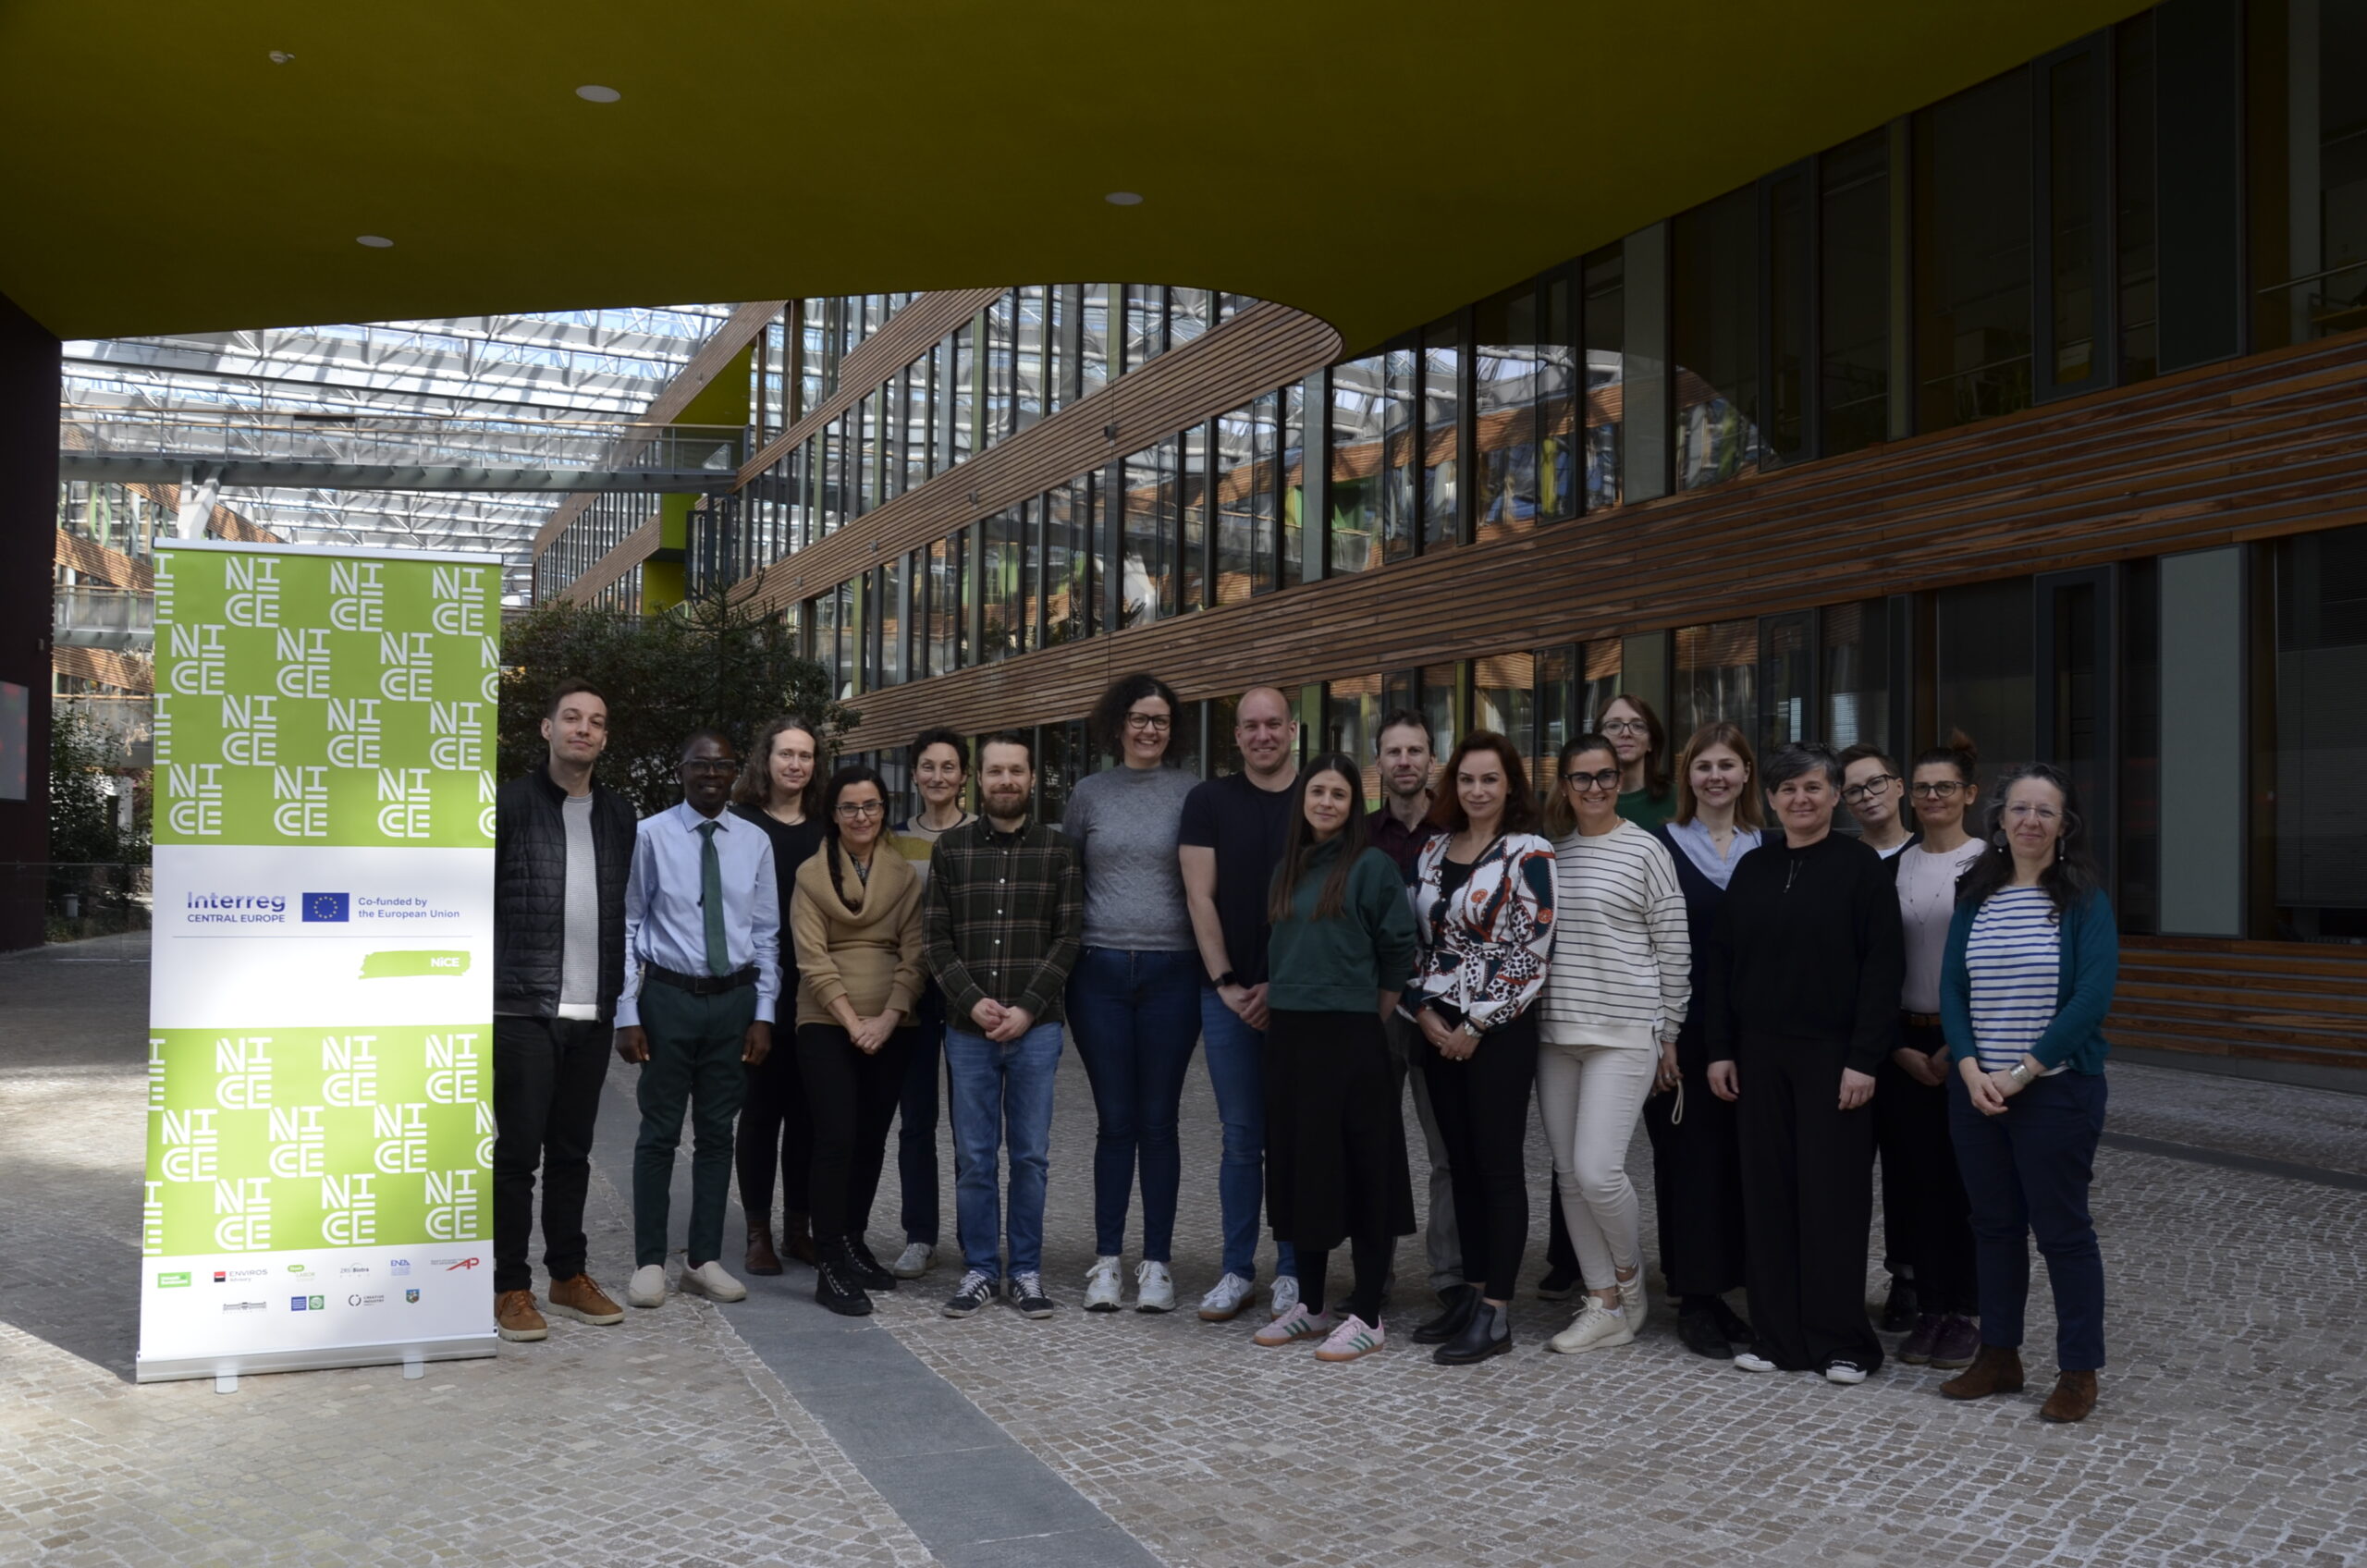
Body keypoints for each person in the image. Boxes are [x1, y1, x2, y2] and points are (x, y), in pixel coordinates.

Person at [1705, 741, 1902, 1384]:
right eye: (1788, 790)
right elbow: (1723, 965)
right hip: (1758, 1055)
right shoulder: (1755, 869)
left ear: (1836, 796)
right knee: (1767, 1198)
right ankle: (1778, 1337)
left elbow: (1882, 970)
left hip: (1834, 1058)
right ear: (1770, 799)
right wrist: (1720, 1050)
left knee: (1832, 1199)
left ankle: (1844, 1342)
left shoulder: (1861, 867)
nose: (1800, 799)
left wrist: (1864, 1059)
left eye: (1814, 788)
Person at [1937, 764, 2118, 1424]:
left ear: (2064, 826)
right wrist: (1968, 1068)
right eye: (2020, 809)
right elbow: (1953, 988)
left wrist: (2022, 1071)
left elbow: (2090, 999)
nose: (2031, 821)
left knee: (2063, 1232)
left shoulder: (2084, 899)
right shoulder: (1976, 894)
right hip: (1978, 1092)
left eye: (2046, 811)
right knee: (1994, 1228)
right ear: (2000, 820)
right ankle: (1999, 1355)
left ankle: (2078, 1371)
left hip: (2056, 1092)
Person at [1252, 753, 1420, 1362]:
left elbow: (1399, 950)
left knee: (1363, 1173)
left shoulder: (1371, 867)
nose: (1326, 802)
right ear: (1303, 800)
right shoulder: (1286, 870)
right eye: (1317, 791)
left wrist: (1366, 1014)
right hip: (1291, 1039)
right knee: (1305, 1171)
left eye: (1339, 795)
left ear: (1354, 806)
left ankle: (1369, 1313)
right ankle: (1314, 1307)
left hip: (1351, 1039)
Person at [490, 680, 637, 1342]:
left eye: (596, 721)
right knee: (519, 1154)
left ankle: (567, 1275)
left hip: (592, 1007)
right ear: (547, 729)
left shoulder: (619, 813)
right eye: (572, 718)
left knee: (574, 1153)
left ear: (605, 738)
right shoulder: (510, 805)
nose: (584, 728)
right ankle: (509, 1286)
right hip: (522, 1006)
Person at [1404, 731, 1555, 1365]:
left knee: (1496, 1168)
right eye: (1467, 779)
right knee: (1458, 1166)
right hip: (1436, 1026)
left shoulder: (1530, 852)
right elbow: (1420, 944)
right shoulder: (1435, 850)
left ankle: (1495, 1312)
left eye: (1489, 779)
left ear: (1510, 785)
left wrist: (1477, 1024)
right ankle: (1467, 1296)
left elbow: (1533, 952)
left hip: (1500, 1029)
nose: (1477, 790)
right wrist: (1424, 1012)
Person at [616, 730, 780, 1312]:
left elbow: (765, 934)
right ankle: (649, 1263)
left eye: (723, 765)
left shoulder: (755, 841)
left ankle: (702, 1260)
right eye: (700, 765)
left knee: (717, 1136)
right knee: (658, 1133)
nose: (712, 774)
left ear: (735, 772)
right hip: (667, 1000)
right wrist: (626, 1011)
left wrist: (763, 1013)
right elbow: (629, 926)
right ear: (681, 770)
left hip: (732, 1004)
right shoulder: (650, 836)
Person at [1537, 734, 1690, 1355]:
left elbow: (1673, 945)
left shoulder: (1647, 850)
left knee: (1600, 1172)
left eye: (1605, 776)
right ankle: (1600, 1301)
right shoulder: (1549, 853)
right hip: (1556, 1035)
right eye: (1582, 778)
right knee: (1570, 1176)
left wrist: (1670, 1032)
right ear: (1564, 785)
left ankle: (1629, 1283)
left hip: (1624, 1035)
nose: (1595, 787)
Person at [926, 732, 1085, 1321]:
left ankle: (1024, 1270)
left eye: (1017, 771)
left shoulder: (1059, 851)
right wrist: (972, 1003)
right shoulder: (952, 850)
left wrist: (1024, 1007)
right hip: (966, 1031)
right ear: (978, 779)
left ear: (1032, 777)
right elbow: (935, 941)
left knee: (1030, 1157)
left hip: (1036, 1027)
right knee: (973, 1155)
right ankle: (978, 1270)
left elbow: (1069, 937)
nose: (1007, 781)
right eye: (996, 772)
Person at [1063, 675, 1202, 1313]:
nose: (1151, 729)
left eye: (1162, 720)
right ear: (1118, 723)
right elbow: (1067, 882)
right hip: (1100, 973)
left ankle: (1157, 1264)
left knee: (1160, 1121)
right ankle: (1105, 1263)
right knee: (1116, 1123)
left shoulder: (1192, 792)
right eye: (1140, 718)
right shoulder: (1089, 794)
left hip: (1174, 970)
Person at [1180, 687, 1305, 1322]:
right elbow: (1200, 898)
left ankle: (1291, 1271)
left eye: (1273, 724)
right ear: (1237, 736)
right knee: (1240, 1139)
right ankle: (1236, 1271)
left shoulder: (1317, 796)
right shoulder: (1208, 802)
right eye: (1251, 726)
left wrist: (1284, 986)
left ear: (1292, 730)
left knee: (1291, 1137)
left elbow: (1325, 898)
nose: (1263, 735)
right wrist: (1228, 981)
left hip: (1300, 999)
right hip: (1225, 997)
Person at [791, 764, 926, 1316]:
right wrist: (854, 1022)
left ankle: (852, 1239)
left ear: (884, 810)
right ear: (833, 814)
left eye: (871, 806)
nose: (862, 816)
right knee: (836, 1137)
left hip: (894, 1023)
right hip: (827, 1021)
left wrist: (888, 1019)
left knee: (872, 1138)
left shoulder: (904, 875)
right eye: (850, 807)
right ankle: (827, 1261)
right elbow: (813, 961)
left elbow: (917, 956)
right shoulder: (809, 876)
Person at [1647, 723, 1761, 1360]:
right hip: (1682, 1032)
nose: (1715, 776)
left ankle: (1733, 1288)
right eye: (1703, 766)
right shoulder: (1659, 846)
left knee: (1744, 1165)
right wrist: (1659, 1035)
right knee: (1689, 1164)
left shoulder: (1770, 846)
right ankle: (1695, 1297)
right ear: (1687, 777)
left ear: (1747, 773)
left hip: (1753, 1034)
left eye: (1728, 765)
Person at [1885, 734, 1987, 1371]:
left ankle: (1969, 1311)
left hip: (1968, 1041)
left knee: (1965, 1183)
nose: (1931, 798)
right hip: (1903, 1040)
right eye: (1922, 788)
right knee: (1915, 1180)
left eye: (1944, 787)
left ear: (1969, 794)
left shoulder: (1991, 864)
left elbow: (1994, 965)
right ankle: (1929, 1308)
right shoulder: (1894, 864)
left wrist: (1960, 1044)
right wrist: (1896, 1046)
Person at [1365, 709, 1462, 1314]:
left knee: (1446, 1149)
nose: (1405, 761)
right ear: (1378, 762)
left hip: (1440, 1010)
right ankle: (1375, 1272)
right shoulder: (1359, 834)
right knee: (1372, 1144)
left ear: (1432, 760)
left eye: (1415, 751)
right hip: (1374, 1011)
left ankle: (1450, 1275)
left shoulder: (1458, 831)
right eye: (1394, 752)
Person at [731, 716, 826, 1279]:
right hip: (755, 991)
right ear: (765, 759)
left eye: (806, 756)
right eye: (786, 753)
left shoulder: (825, 827)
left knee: (809, 1115)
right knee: (762, 1114)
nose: (795, 764)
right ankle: (757, 1233)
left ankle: (800, 1229)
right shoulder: (740, 825)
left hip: (817, 989)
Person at [884, 727, 977, 1280]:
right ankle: (920, 1235)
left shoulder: (983, 835)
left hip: (967, 994)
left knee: (972, 1124)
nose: (938, 776)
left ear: (963, 775)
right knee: (916, 1120)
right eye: (927, 766)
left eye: (948, 767)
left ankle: (975, 1238)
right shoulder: (893, 840)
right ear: (915, 774)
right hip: (913, 995)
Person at [1840, 741, 1919, 1329]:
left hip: (1922, 1038)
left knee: (1912, 1169)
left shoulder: (1930, 855)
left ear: (1899, 786)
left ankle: (1910, 1277)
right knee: (1845, 1170)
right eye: (1854, 789)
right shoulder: (1842, 861)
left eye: (1875, 783)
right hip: (1860, 1039)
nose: (1866, 796)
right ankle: (1839, 1281)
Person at [1601, 692, 1676, 830]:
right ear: (1598, 739)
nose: (1626, 733)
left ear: (1651, 743)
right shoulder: (1586, 800)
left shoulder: (1678, 800)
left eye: (1637, 726)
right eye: (1614, 726)